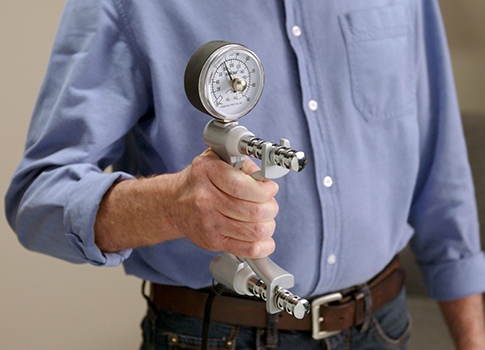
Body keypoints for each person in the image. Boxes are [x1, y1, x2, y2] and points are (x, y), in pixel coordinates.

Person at [5, 0, 485, 349]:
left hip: (384, 325)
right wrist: (171, 207)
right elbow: (37, 195)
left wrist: (472, 338)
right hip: (218, 336)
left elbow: (440, 164)